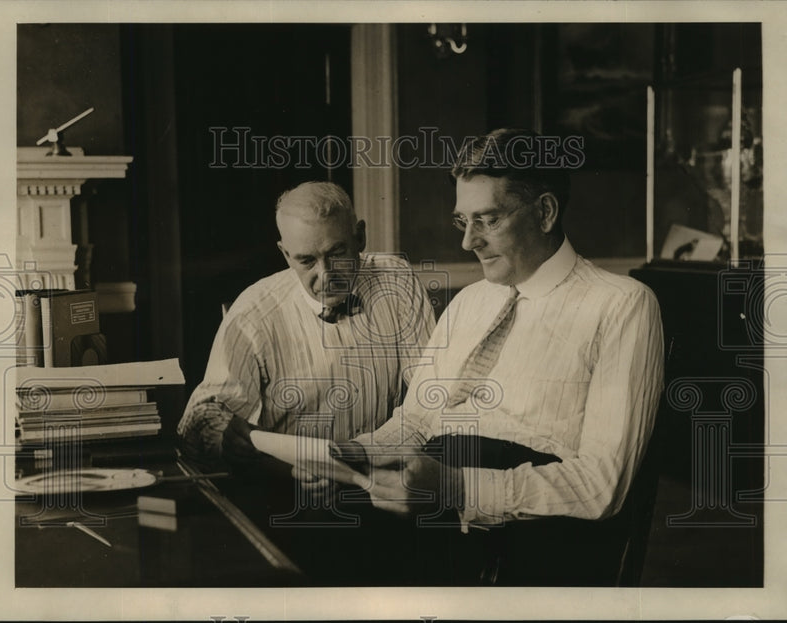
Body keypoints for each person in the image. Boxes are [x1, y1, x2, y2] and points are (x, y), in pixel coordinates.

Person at [339, 128, 665, 585]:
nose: (467, 242)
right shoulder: (469, 301)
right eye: (461, 221)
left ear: (545, 212)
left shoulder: (621, 305)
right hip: (444, 516)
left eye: (487, 220)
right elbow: (415, 422)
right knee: (321, 531)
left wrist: (458, 487)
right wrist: (353, 454)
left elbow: (601, 486)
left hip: (534, 541)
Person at [177, 181, 435, 472]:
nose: (325, 275)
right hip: (286, 488)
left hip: (381, 481)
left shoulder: (397, 281)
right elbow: (199, 421)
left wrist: (362, 455)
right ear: (286, 254)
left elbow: (428, 397)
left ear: (360, 237)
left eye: (336, 253)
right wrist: (225, 437)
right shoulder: (253, 313)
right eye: (306, 260)